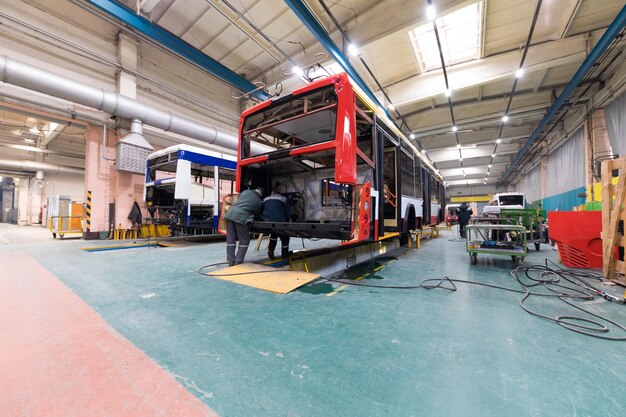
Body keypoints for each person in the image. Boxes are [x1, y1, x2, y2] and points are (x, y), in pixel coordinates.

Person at [223, 187, 264, 266]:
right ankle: (238, 261)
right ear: (261, 194)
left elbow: (238, 199)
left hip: (230, 214)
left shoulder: (246, 191)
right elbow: (257, 213)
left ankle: (231, 261)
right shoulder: (259, 201)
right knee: (244, 240)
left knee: (231, 239)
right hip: (241, 217)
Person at [261, 188, 291, 260]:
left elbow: (262, 209)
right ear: (279, 193)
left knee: (274, 234)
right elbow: (287, 213)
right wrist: (287, 221)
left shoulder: (265, 199)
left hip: (267, 221)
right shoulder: (284, 199)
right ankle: (285, 255)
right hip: (280, 221)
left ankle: (271, 250)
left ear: (272, 193)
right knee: (285, 237)